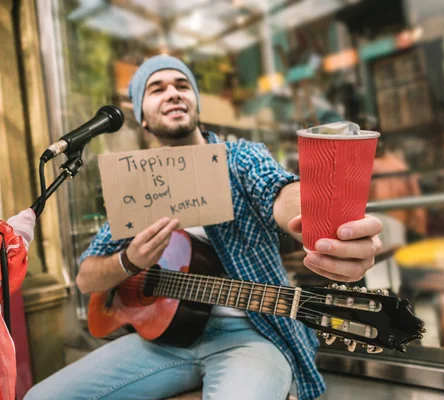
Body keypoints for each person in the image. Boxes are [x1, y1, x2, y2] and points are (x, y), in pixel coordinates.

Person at [26, 55, 382, 400]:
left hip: (253, 336)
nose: (173, 93)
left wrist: (319, 219)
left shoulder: (241, 158)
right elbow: (87, 278)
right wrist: (130, 262)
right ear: (142, 119)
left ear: (195, 101)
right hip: (161, 342)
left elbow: (279, 190)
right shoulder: (135, 185)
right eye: (157, 88)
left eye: (182, 85)